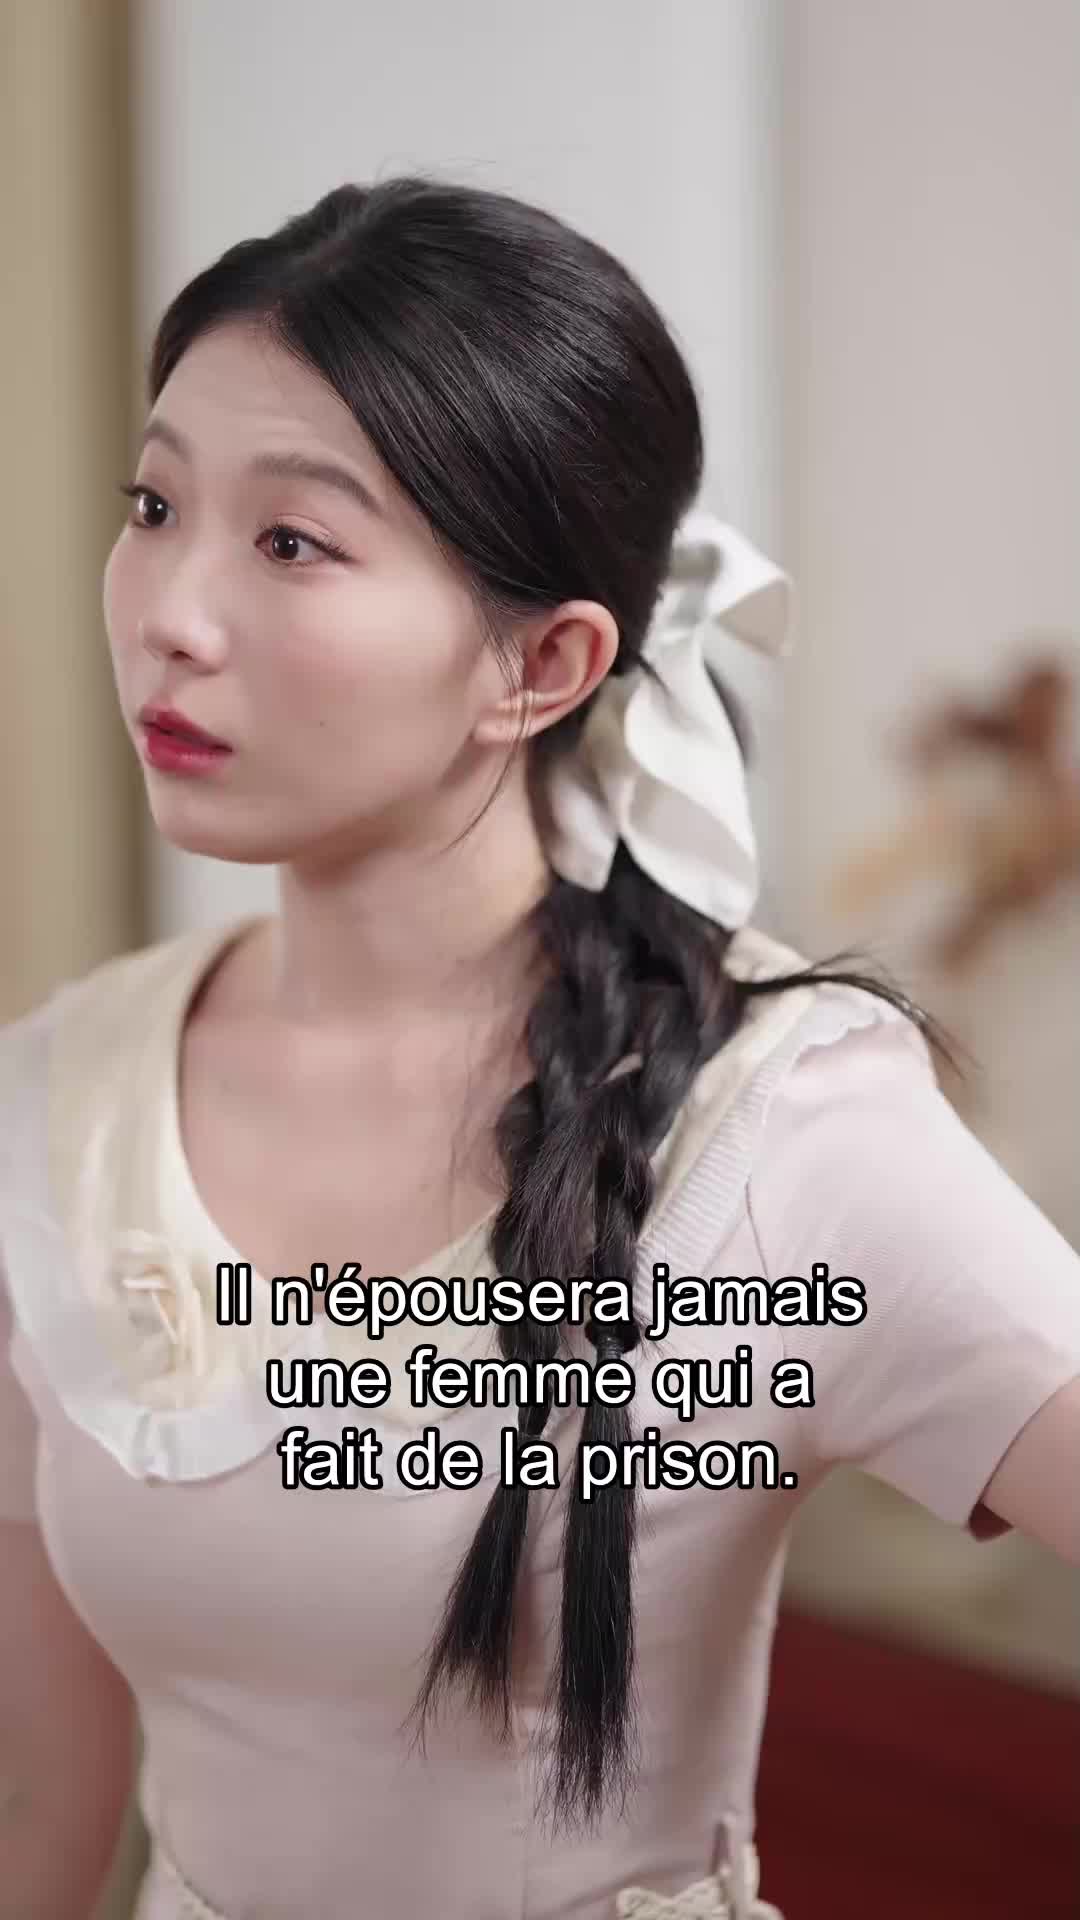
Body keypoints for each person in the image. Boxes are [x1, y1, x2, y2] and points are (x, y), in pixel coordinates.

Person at [2, 176, 1078, 1920]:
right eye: (155, 504)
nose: (169, 614)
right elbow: (34, 1807)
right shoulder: (59, 1099)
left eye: (291, 542)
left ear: (544, 664)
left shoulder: (782, 1128)